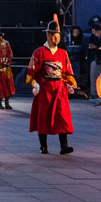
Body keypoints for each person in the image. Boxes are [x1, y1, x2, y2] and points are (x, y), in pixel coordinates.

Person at [25, 21, 77, 155]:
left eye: (58, 36)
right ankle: (43, 146)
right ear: (48, 35)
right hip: (45, 88)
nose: (56, 38)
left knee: (62, 116)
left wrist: (69, 84)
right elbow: (32, 70)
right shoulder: (39, 52)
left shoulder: (63, 53)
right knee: (43, 116)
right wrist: (35, 84)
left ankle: (64, 146)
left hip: (59, 89)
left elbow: (66, 71)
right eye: (53, 35)